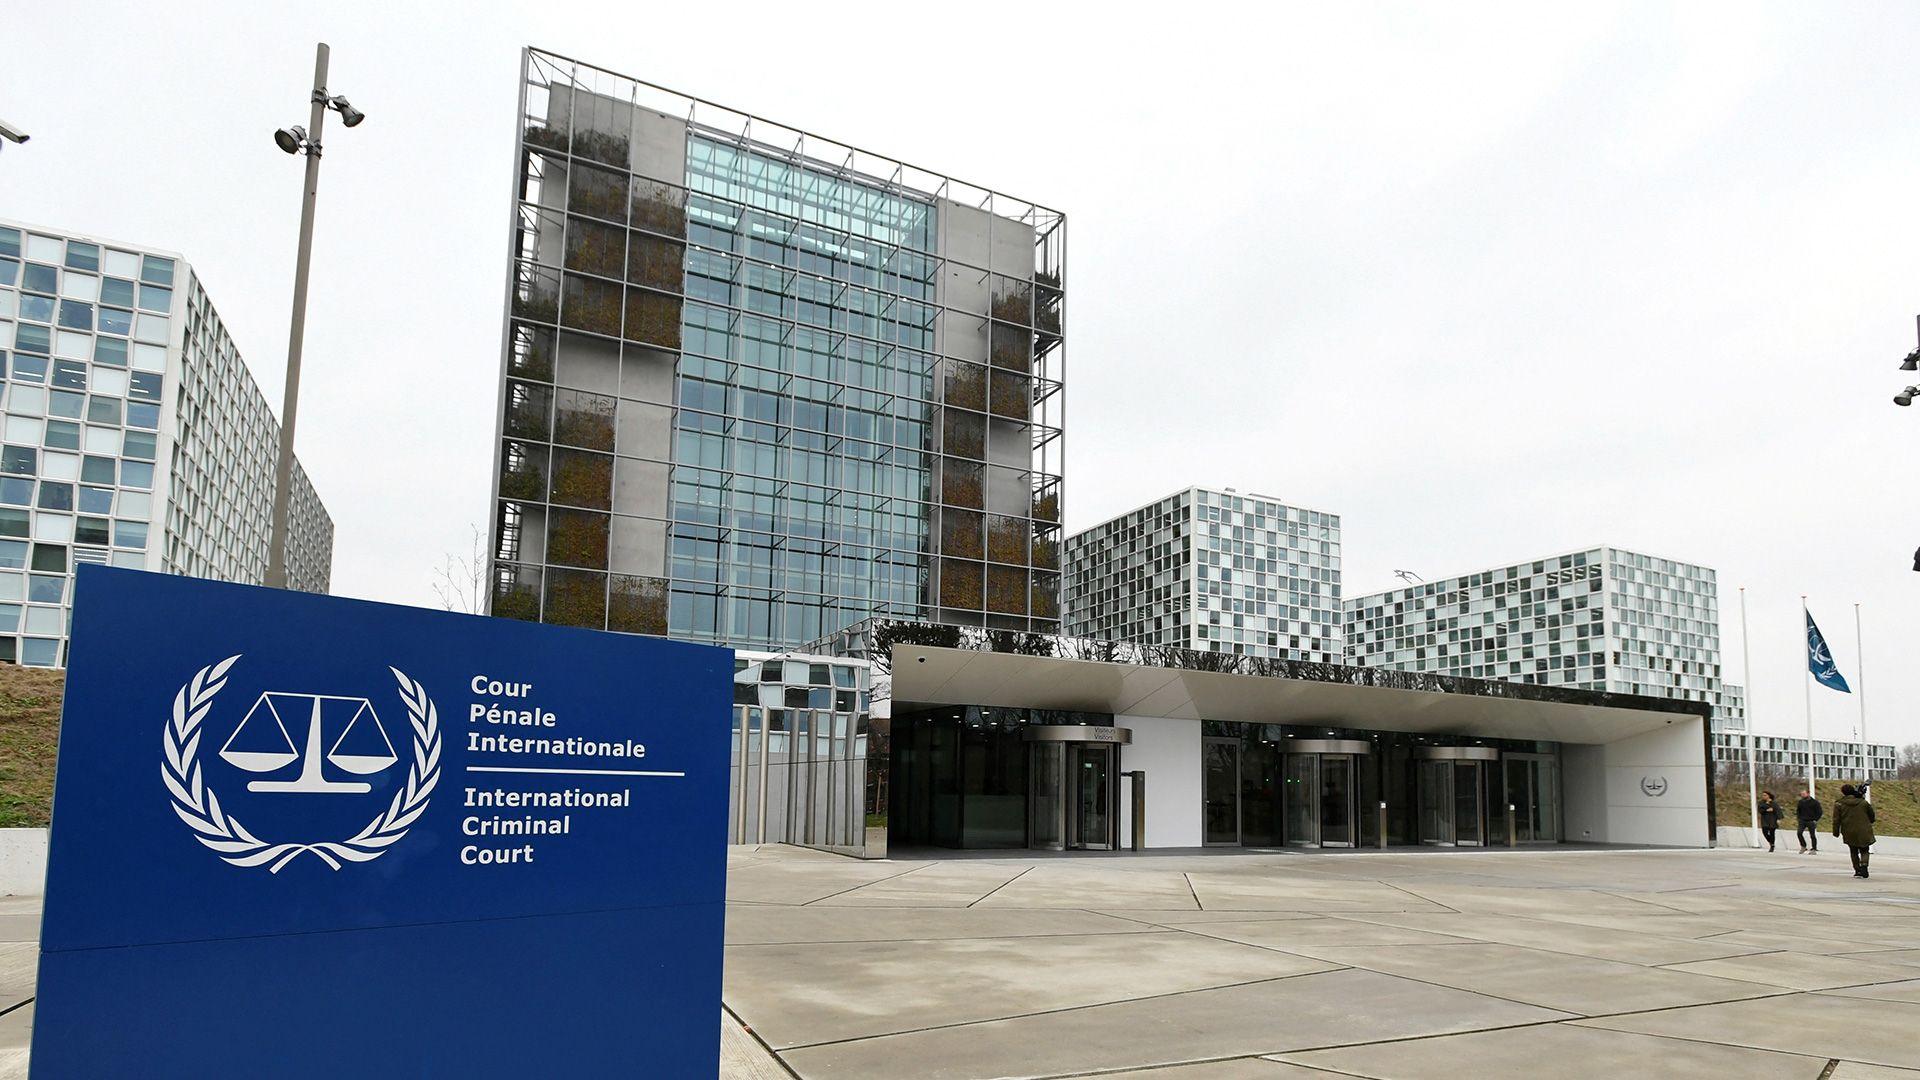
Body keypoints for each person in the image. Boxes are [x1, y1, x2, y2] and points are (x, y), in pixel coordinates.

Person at [1832, 783, 1876, 879]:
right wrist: (1871, 821)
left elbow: (1836, 819)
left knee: (1853, 850)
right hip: (1864, 829)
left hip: (1848, 830)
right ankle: (1864, 865)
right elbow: (1871, 815)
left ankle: (1857, 870)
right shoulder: (1863, 802)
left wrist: (1836, 832)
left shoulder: (1839, 804)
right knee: (1865, 850)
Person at [1796, 789, 1822, 854]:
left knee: (1812, 835)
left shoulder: (1815, 802)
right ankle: (1803, 846)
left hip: (1811, 820)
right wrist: (1799, 818)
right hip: (1802, 820)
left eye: (1804, 794)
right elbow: (1798, 811)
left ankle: (1814, 848)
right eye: (1802, 794)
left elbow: (1819, 812)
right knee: (1799, 833)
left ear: (1808, 794)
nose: (1802, 795)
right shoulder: (1801, 802)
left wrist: (1815, 820)